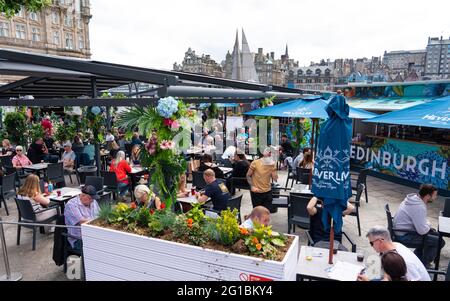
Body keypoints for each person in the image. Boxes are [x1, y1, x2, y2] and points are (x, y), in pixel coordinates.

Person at [393, 184, 445, 267]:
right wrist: (428, 224)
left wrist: (427, 225)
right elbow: (422, 231)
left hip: (401, 230)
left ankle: (417, 258)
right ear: (428, 196)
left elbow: (421, 224)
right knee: (439, 242)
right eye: (435, 195)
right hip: (404, 235)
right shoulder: (419, 206)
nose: (436, 197)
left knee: (435, 234)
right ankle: (423, 265)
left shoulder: (413, 199)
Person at [362, 226, 430, 281]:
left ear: (380, 241)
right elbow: (387, 272)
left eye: (371, 243)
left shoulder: (403, 260)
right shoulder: (392, 246)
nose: (371, 246)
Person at [64, 185, 100, 251]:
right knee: (99, 249)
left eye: (93, 198)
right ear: (82, 195)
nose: (92, 200)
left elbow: (100, 215)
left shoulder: (93, 202)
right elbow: (83, 222)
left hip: (94, 235)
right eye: (90, 198)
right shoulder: (71, 205)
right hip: (79, 239)